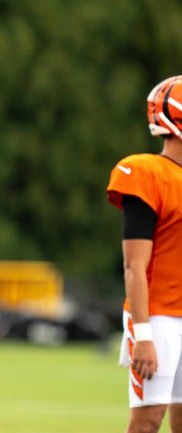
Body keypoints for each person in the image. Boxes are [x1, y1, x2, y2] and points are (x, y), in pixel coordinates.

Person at [107, 75, 182, 433]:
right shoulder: (148, 173)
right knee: (148, 421)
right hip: (159, 317)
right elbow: (134, 266)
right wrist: (144, 333)